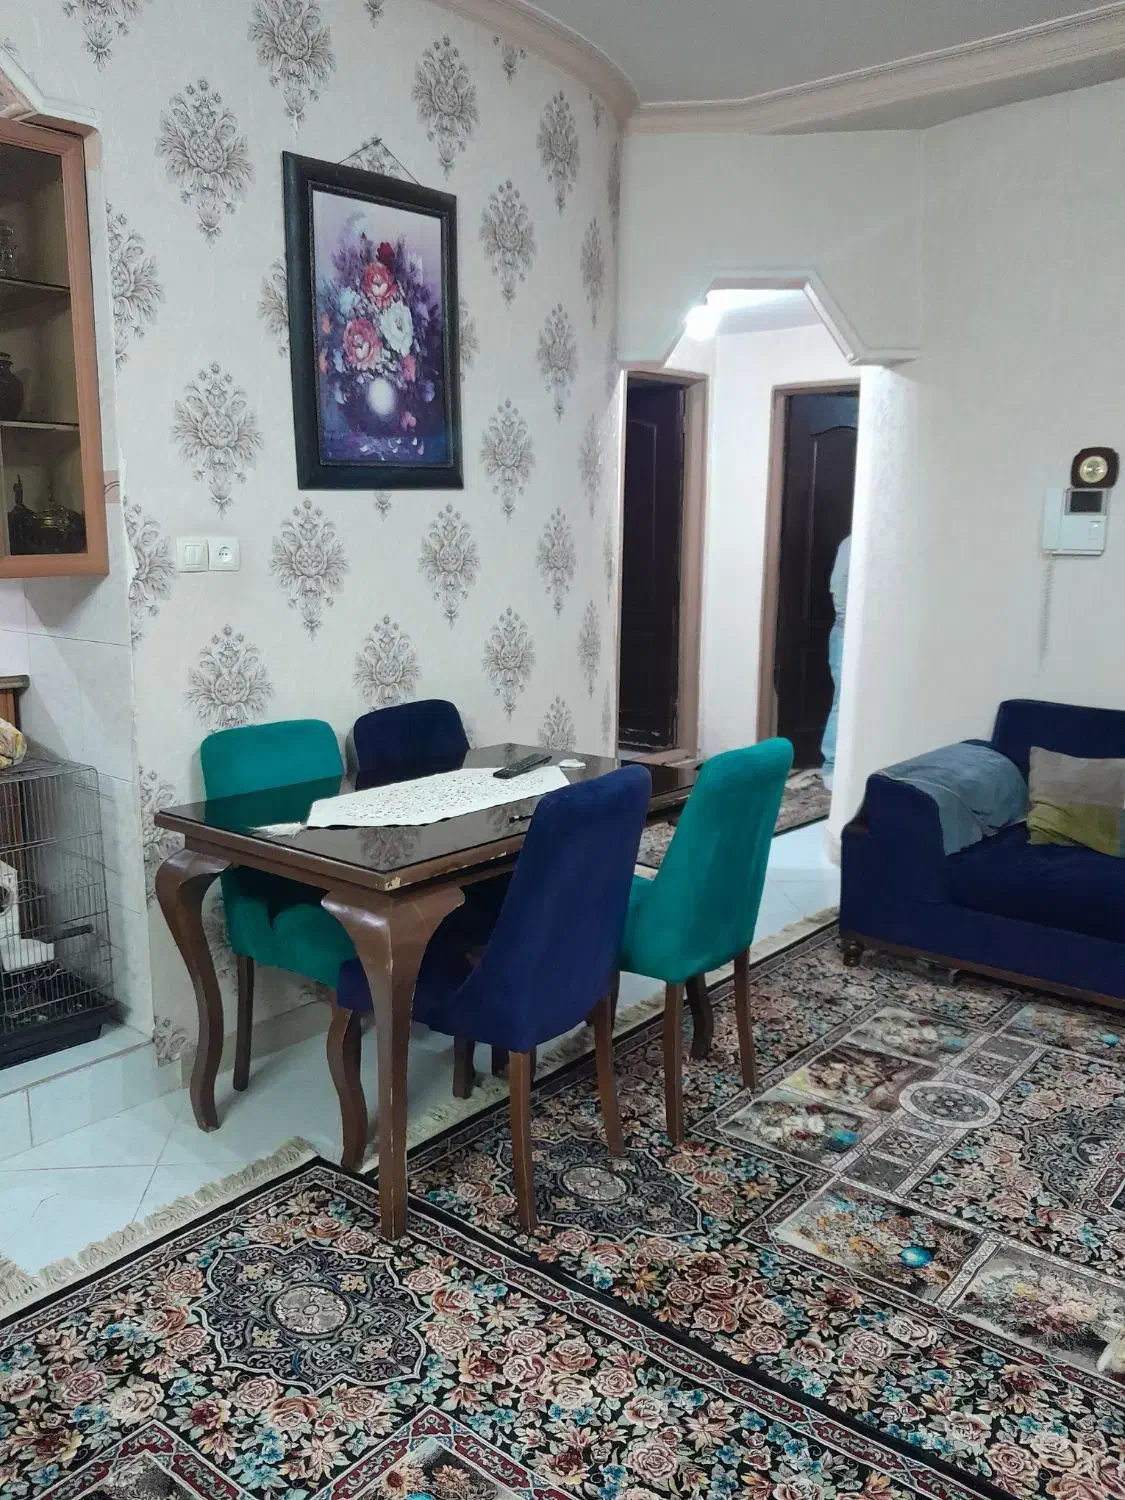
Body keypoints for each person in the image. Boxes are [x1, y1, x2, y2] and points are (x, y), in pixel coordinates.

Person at [820, 534, 851, 789]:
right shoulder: (854, 543)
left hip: (863, 633)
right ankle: (832, 767)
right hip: (848, 633)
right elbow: (839, 590)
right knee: (844, 699)